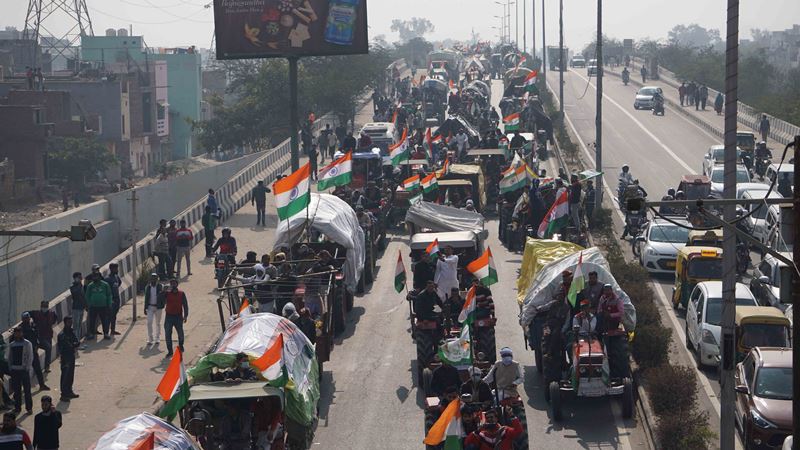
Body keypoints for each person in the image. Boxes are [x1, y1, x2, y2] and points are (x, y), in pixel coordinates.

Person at [6, 328, 33, 414]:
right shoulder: (12, 345)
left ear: (22, 333)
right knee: (17, 391)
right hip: (15, 370)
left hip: (24, 370)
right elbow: (9, 357)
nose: (17, 335)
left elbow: (30, 356)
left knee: (27, 390)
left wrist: (27, 367)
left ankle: (29, 408)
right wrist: (10, 367)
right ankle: (17, 408)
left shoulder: (27, 343)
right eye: (16, 333)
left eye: (19, 333)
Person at [19, 314, 47, 391]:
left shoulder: (33, 326)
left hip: (33, 351)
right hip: (24, 354)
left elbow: (37, 337)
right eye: (25, 318)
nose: (26, 320)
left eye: (27, 318)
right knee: (24, 372)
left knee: (38, 369)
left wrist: (37, 346)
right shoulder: (20, 329)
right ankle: (23, 388)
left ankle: (42, 385)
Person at [163, 279, 189, 358]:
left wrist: (185, 316)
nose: (173, 285)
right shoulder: (167, 293)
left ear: (177, 284)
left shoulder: (181, 294)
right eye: (172, 284)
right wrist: (163, 291)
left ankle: (181, 345)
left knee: (180, 333)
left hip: (178, 316)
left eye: (174, 283)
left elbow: (185, 305)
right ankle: (170, 351)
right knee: (168, 334)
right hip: (169, 316)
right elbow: (160, 300)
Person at [56, 317, 79, 401]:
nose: (70, 323)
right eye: (69, 322)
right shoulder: (62, 335)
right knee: (65, 375)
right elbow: (65, 346)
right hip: (65, 357)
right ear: (65, 323)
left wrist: (75, 344)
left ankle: (69, 391)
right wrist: (73, 345)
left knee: (70, 375)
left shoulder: (71, 332)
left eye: (71, 322)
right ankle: (64, 394)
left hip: (71, 355)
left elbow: (76, 341)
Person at [30, 302, 57, 373]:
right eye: (43, 306)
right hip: (39, 337)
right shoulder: (37, 313)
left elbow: (54, 320)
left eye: (45, 306)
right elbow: (27, 313)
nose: (44, 308)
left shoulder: (51, 314)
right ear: (41, 306)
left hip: (49, 336)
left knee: (48, 350)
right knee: (47, 348)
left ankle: (47, 367)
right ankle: (39, 368)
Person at [144, 273, 164, 345]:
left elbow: (163, 296)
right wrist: (145, 308)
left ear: (157, 279)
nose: (153, 279)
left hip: (158, 307)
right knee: (149, 322)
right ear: (150, 279)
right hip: (150, 307)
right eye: (152, 278)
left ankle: (157, 338)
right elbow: (146, 298)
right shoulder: (148, 287)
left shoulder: (160, 286)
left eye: (155, 278)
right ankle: (150, 338)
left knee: (158, 323)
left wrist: (163, 304)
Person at [105, 263, 122, 336]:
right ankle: (106, 331)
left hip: (116, 298)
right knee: (109, 315)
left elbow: (119, 283)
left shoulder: (116, 277)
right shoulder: (107, 279)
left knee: (114, 315)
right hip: (111, 299)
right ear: (111, 269)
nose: (117, 270)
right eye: (115, 268)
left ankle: (113, 330)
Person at [68, 272, 86, 341]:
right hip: (76, 309)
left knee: (79, 326)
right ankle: (75, 342)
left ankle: (77, 341)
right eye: (79, 277)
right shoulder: (73, 286)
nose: (80, 279)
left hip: (81, 308)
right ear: (75, 278)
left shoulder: (81, 285)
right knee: (75, 327)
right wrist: (79, 284)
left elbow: (83, 296)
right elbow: (76, 293)